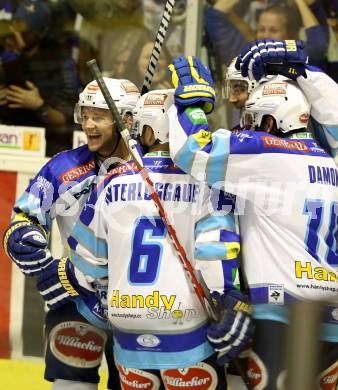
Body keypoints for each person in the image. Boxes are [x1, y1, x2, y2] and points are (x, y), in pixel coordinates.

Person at [35, 88, 253, 389]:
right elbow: (215, 252)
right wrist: (227, 296)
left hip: (128, 322)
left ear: (146, 128)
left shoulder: (111, 180)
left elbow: (88, 262)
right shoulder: (207, 183)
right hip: (184, 323)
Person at [165, 47, 338, 388]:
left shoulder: (262, 149)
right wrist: (300, 70)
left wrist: (190, 105)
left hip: (283, 311)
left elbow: (189, 151)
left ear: (272, 120)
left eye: (255, 119)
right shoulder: (326, 157)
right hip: (333, 313)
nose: (248, 122)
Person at [3, 77, 140, 390]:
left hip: (140, 304)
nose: (89, 124)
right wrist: (49, 270)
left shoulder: (152, 168)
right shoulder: (62, 167)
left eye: (100, 116)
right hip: (78, 297)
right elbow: (22, 222)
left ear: (127, 119)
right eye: (85, 115)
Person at [0, 0, 82, 156]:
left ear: (42, 33)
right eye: (16, 25)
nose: (17, 33)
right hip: (6, 143)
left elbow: (66, 122)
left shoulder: (57, 64)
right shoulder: (5, 57)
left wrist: (38, 105)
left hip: (44, 148)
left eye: (26, 30)